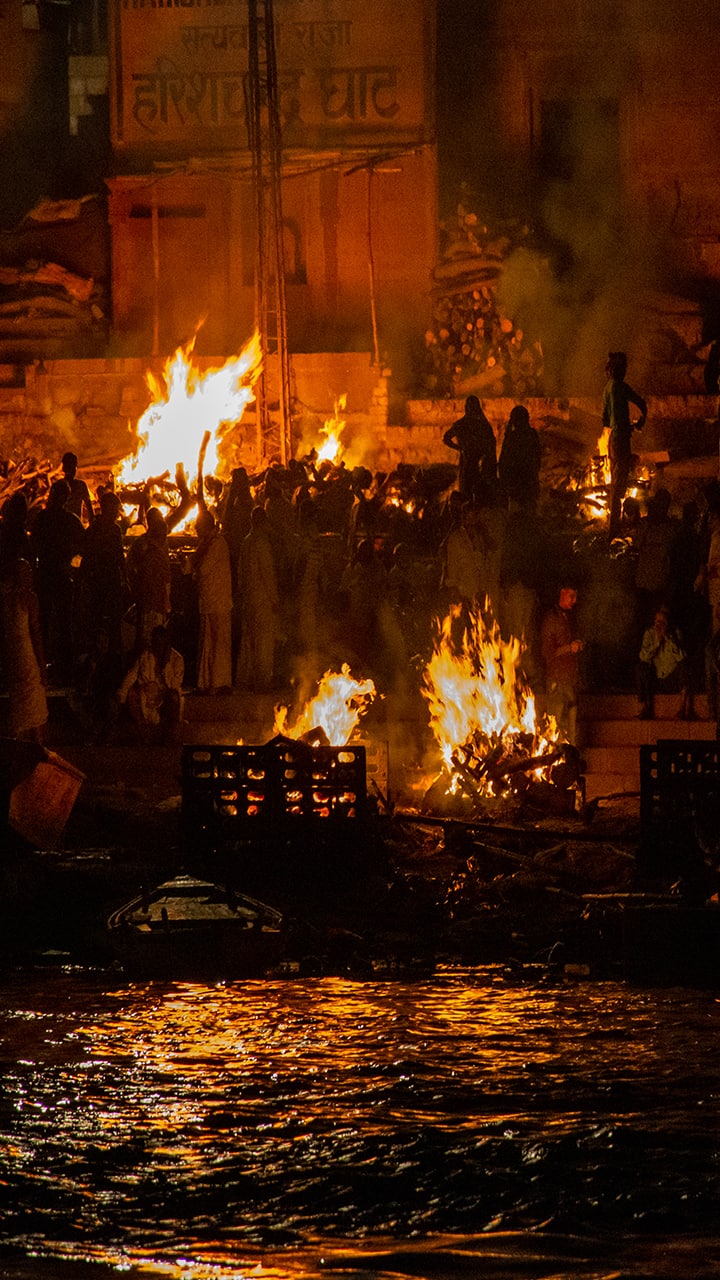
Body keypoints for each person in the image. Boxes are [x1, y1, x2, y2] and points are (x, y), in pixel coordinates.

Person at [0, 558, 48, 742]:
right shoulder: (29, 598)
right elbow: (35, 634)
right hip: (26, 653)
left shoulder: (5, 598)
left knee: (19, 700)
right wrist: (42, 666)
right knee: (34, 700)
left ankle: (21, 744)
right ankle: (36, 746)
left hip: (13, 654)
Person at [601, 351, 647, 539]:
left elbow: (605, 420)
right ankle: (614, 529)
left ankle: (613, 524)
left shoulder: (606, 389)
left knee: (615, 479)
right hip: (621, 439)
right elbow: (641, 402)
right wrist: (640, 420)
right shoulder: (620, 386)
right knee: (620, 481)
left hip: (613, 438)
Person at [236, 505, 281, 693]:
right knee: (264, 643)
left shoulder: (246, 541)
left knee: (249, 643)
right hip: (262, 601)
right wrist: (275, 600)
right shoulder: (261, 543)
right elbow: (267, 574)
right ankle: (262, 681)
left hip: (249, 600)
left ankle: (246, 681)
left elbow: (240, 573)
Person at [116, 624, 184, 744]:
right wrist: (121, 693)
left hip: (163, 700)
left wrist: (164, 668)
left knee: (173, 696)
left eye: (159, 642)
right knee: (131, 693)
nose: (156, 645)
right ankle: (142, 730)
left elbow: (174, 685)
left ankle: (169, 733)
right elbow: (132, 674)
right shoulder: (145, 655)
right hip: (145, 698)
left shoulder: (176, 659)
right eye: (154, 641)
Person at [540, 581, 584, 745]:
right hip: (557, 680)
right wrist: (569, 648)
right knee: (556, 724)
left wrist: (578, 645)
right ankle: (555, 760)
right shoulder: (551, 619)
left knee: (572, 724)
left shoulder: (569, 618)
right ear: (563, 592)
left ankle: (570, 758)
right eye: (571, 596)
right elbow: (547, 652)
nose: (574, 601)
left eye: (575, 597)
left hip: (570, 679)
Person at [637, 605, 692, 720]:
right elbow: (643, 656)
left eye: (662, 622)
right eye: (657, 621)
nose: (659, 625)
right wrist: (656, 643)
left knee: (684, 666)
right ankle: (645, 707)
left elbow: (682, 656)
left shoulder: (676, 633)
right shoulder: (649, 634)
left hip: (672, 679)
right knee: (641, 667)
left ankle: (682, 708)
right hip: (656, 679)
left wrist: (668, 638)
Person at [443, 394, 497, 503]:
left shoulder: (467, 424)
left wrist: (459, 448)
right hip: (474, 463)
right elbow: (446, 438)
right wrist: (459, 448)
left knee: (470, 492)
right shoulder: (481, 425)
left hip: (475, 463)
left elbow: (446, 438)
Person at [498, 404, 542, 511]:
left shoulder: (512, 438)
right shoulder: (532, 434)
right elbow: (538, 457)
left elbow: (504, 461)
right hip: (529, 483)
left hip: (516, 485)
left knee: (517, 516)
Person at [61, 452, 95, 525]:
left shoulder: (58, 486)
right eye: (72, 466)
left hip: (62, 527)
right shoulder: (80, 485)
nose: (74, 469)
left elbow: (90, 510)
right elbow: (90, 510)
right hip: (73, 526)